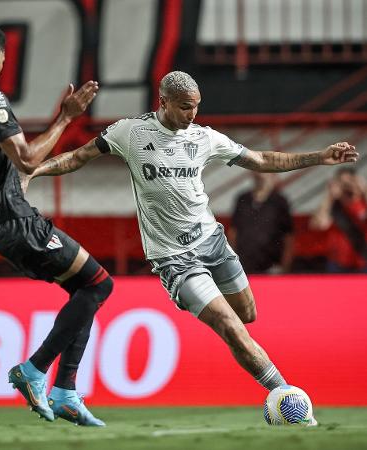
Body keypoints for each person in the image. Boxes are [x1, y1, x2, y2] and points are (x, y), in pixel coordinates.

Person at [24, 71, 358, 424]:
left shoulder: (203, 137)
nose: (192, 115)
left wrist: (319, 157)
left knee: (246, 315)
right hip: (174, 259)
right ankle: (287, 397)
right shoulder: (130, 132)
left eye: (196, 108)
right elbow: (78, 157)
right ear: (163, 102)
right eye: (185, 108)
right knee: (231, 326)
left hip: (213, 243)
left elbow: (260, 160)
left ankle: (221, 321)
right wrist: (35, 172)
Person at [0, 23, 111, 426]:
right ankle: (36, 370)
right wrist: (65, 118)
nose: (1, 69)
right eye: (1, 62)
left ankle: (66, 392)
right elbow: (28, 161)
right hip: (16, 219)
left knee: (83, 289)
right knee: (99, 284)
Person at [228, 172, 294, 274]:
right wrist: (233, 261)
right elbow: (233, 232)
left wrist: (285, 265)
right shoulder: (243, 199)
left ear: (273, 175)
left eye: (265, 171)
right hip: (244, 265)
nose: (261, 175)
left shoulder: (279, 202)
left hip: (272, 266)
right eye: (258, 171)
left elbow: (288, 236)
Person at [310, 167, 367, 272]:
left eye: (349, 182)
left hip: (362, 261)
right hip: (338, 263)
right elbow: (318, 224)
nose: (346, 187)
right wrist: (329, 197)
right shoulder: (334, 206)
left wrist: (364, 190)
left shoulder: (363, 203)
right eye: (342, 183)